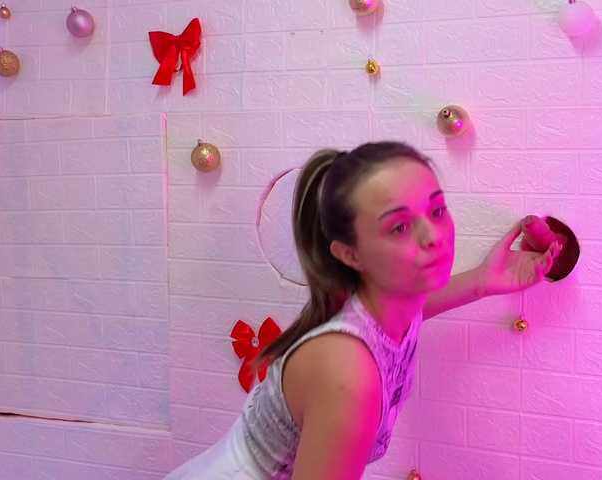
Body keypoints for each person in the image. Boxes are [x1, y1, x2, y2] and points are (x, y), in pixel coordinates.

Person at [164, 141, 562, 480]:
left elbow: (419, 310)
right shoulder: (347, 372)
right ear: (350, 254)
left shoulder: (390, 306)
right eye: (399, 227)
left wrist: (482, 281)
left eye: (437, 211)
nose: (433, 236)